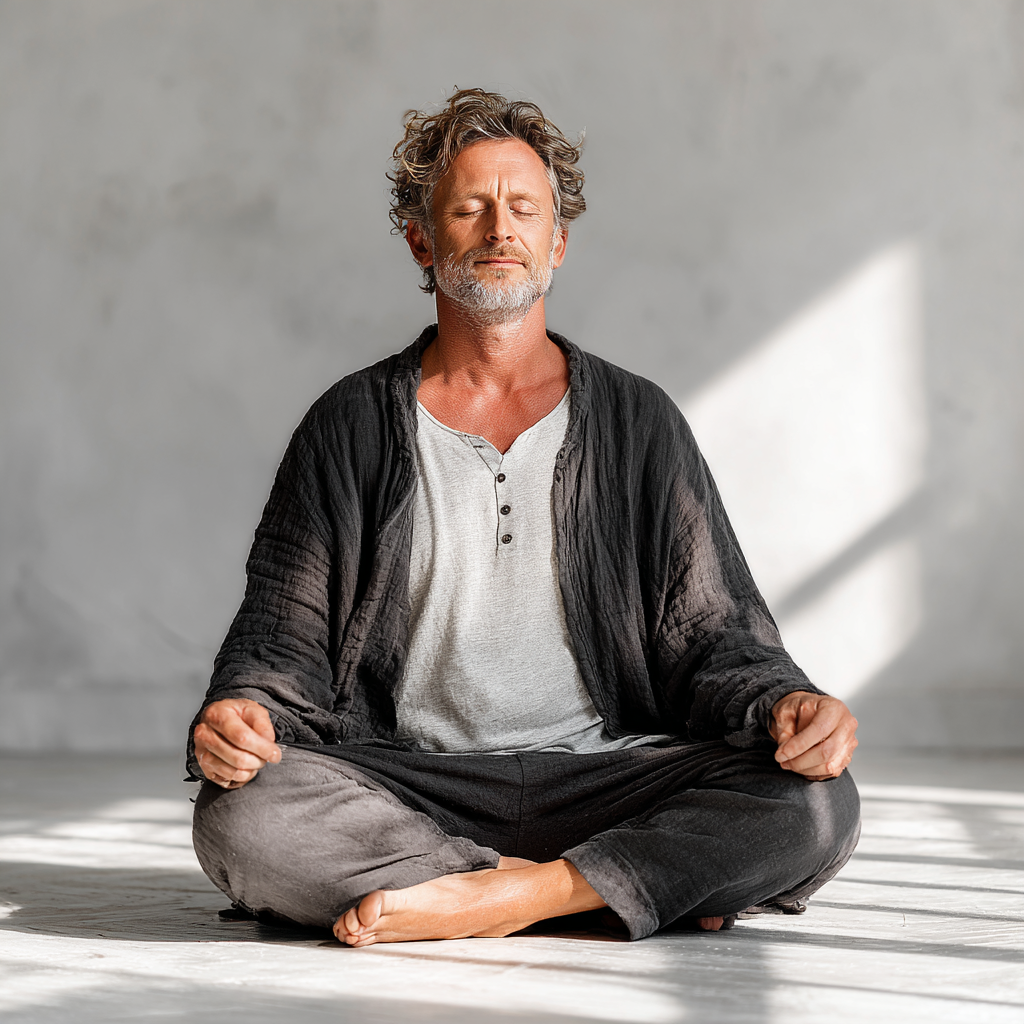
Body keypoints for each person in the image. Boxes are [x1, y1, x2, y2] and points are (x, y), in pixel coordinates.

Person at [188, 88, 860, 948]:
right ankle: (593, 887)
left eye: (524, 208)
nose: (501, 229)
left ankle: (491, 897)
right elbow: (283, 638)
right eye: (470, 207)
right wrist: (241, 712)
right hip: (413, 786)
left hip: (610, 778)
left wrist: (788, 705)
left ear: (557, 241)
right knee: (243, 818)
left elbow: (713, 633)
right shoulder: (349, 424)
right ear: (423, 241)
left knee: (817, 802)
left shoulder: (638, 422)